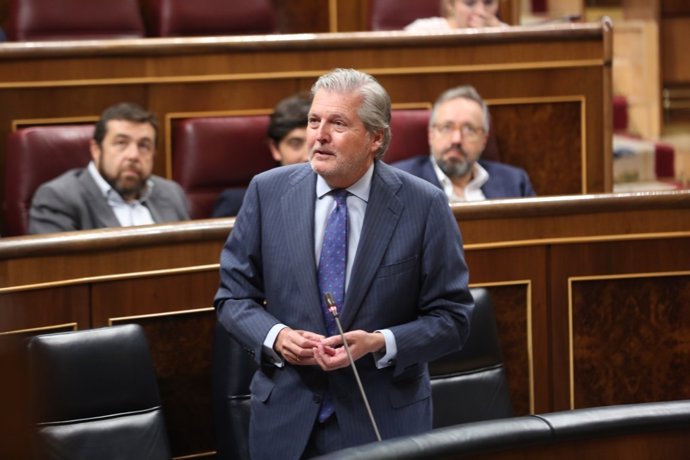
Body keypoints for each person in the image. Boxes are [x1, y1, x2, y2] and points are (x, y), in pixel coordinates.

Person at [214, 68, 474, 459]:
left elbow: (453, 318)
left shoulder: (424, 205)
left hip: (382, 422)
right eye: (314, 120)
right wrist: (277, 336)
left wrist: (378, 343)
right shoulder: (267, 193)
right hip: (285, 422)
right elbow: (233, 298)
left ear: (376, 137)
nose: (318, 135)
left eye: (337, 123)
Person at [29, 102, 189, 234]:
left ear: (154, 154)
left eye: (144, 145)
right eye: (121, 143)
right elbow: (58, 269)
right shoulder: (59, 198)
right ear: (96, 150)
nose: (133, 155)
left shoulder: (172, 193)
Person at [392, 85, 535, 201]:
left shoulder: (515, 183)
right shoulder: (398, 182)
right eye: (447, 127)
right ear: (431, 134)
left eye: (469, 129)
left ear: (484, 139)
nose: (456, 139)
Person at [212, 91, 312, 217]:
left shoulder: (338, 201)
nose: (307, 157)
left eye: (314, 144)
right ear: (275, 149)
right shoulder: (237, 205)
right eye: (295, 143)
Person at [405, 0, 508, 32]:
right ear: (450, 5)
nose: (481, 12)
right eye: (470, 3)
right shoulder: (422, 30)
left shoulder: (506, 33)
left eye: (488, 3)